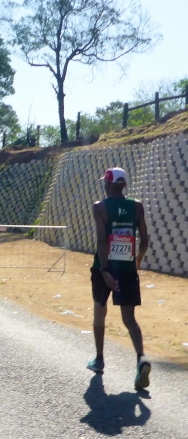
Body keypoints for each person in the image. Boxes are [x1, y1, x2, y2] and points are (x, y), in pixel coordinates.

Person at [87, 167, 151, 390]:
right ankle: (141, 359)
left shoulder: (100, 207)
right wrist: (137, 260)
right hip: (127, 269)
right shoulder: (137, 206)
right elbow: (144, 240)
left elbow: (101, 240)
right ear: (124, 185)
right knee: (129, 318)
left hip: (104, 268)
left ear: (108, 184)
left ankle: (99, 360)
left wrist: (105, 270)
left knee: (100, 312)